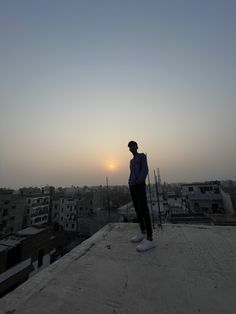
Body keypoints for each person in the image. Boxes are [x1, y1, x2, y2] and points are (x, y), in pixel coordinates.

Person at [128, 140, 155, 252]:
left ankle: (150, 238)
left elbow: (145, 170)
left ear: (137, 147)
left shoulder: (142, 157)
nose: (131, 149)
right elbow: (131, 173)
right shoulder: (131, 161)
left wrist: (138, 182)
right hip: (133, 187)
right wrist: (130, 182)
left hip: (139, 186)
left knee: (144, 210)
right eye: (130, 147)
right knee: (138, 210)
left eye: (133, 146)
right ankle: (142, 232)